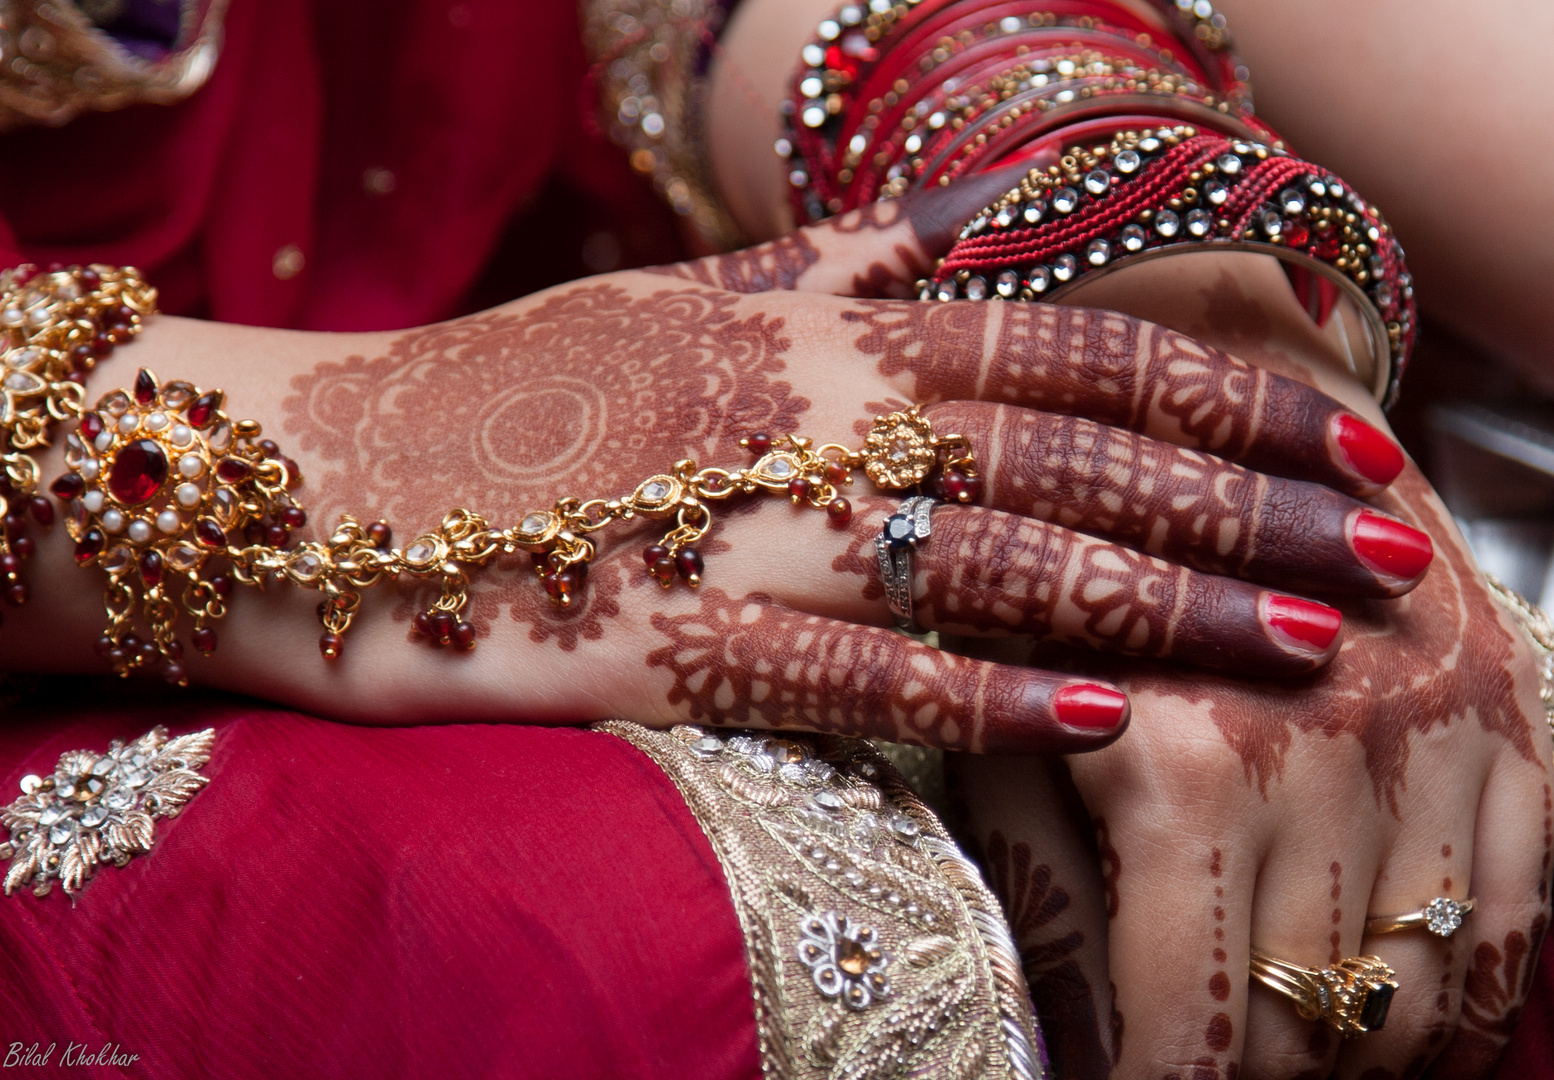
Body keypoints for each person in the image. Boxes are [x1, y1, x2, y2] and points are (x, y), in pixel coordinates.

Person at [0, 2, 1544, 1078]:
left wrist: (1148, 267)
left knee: (1407, 767)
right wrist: (319, 447)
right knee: (607, 933)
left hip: (625, 295)